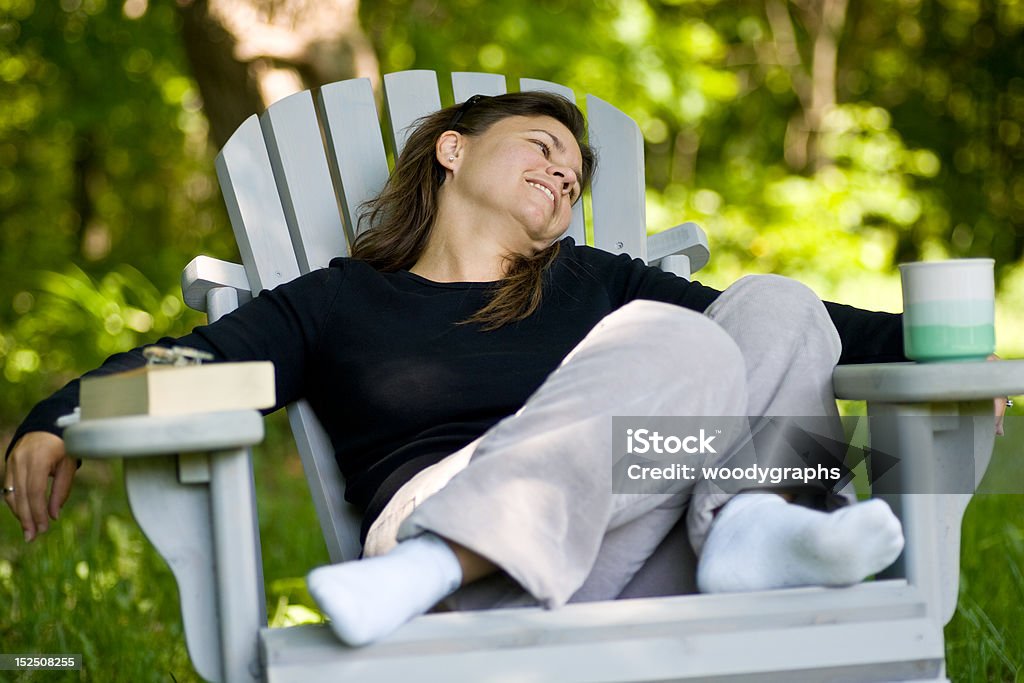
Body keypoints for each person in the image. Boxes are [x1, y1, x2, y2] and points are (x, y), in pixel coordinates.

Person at [2, 91, 995, 648]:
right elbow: (188, 357)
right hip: (441, 531)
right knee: (679, 339)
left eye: (575, 173)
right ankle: (442, 558)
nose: (565, 174)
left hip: (626, 554)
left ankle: (746, 526)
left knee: (772, 303)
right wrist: (54, 415)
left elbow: (818, 330)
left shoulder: (593, 281)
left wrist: (957, 350)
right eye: (543, 146)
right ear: (451, 149)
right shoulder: (335, 299)